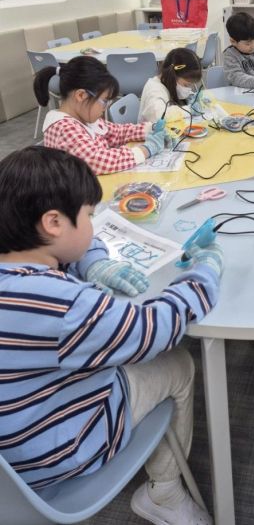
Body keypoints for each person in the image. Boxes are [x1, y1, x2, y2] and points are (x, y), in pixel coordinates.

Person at [0, 146, 222, 525]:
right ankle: (164, 493)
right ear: (53, 222)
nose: (93, 226)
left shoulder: (19, 263)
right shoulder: (64, 307)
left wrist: (93, 261)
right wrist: (206, 271)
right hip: (52, 453)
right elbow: (154, 328)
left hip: (10, 448)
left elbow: (70, 250)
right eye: (89, 216)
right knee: (178, 362)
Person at [34, 56, 172, 175]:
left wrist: (151, 129)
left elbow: (117, 132)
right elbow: (98, 160)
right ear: (81, 95)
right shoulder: (63, 128)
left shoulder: (83, 117)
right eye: (104, 101)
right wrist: (146, 149)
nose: (105, 107)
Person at [139, 47, 203, 123]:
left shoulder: (168, 84)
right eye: (186, 85)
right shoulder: (154, 90)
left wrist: (191, 97)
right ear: (172, 75)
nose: (189, 89)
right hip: (151, 129)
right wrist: (189, 109)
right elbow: (160, 116)